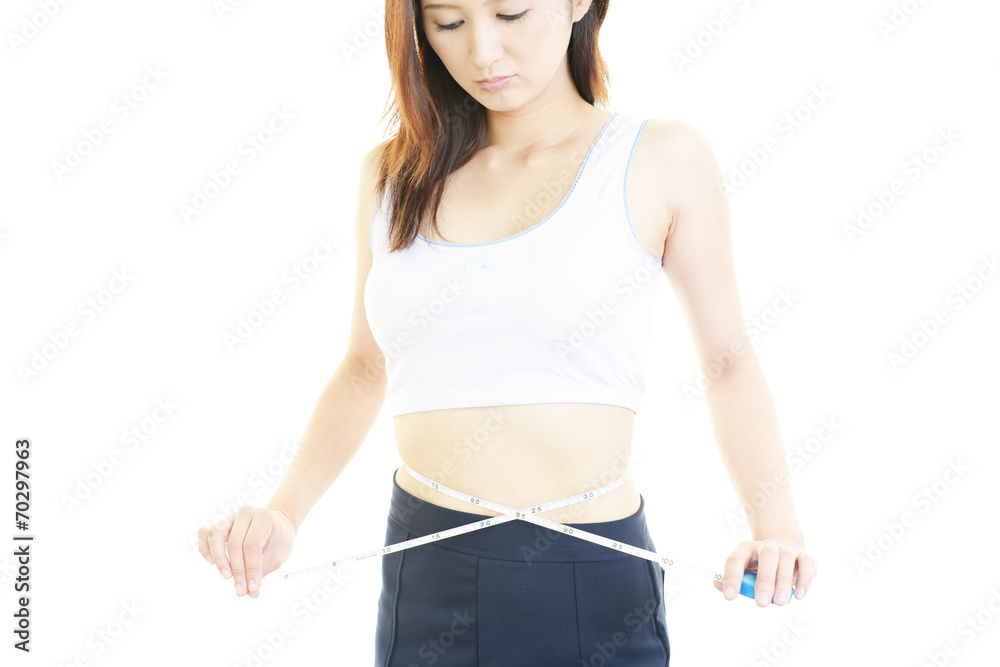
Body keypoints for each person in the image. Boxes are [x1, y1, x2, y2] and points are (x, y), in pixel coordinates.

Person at [197, 0, 818, 664]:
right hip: (427, 572)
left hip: (591, 576)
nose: (483, 52)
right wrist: (284, 512)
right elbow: (363, 367)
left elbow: (727, 361)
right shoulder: (392, 175)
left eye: (512, 13)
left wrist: (777, 529)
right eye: (448, 23)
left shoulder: (661, 157)